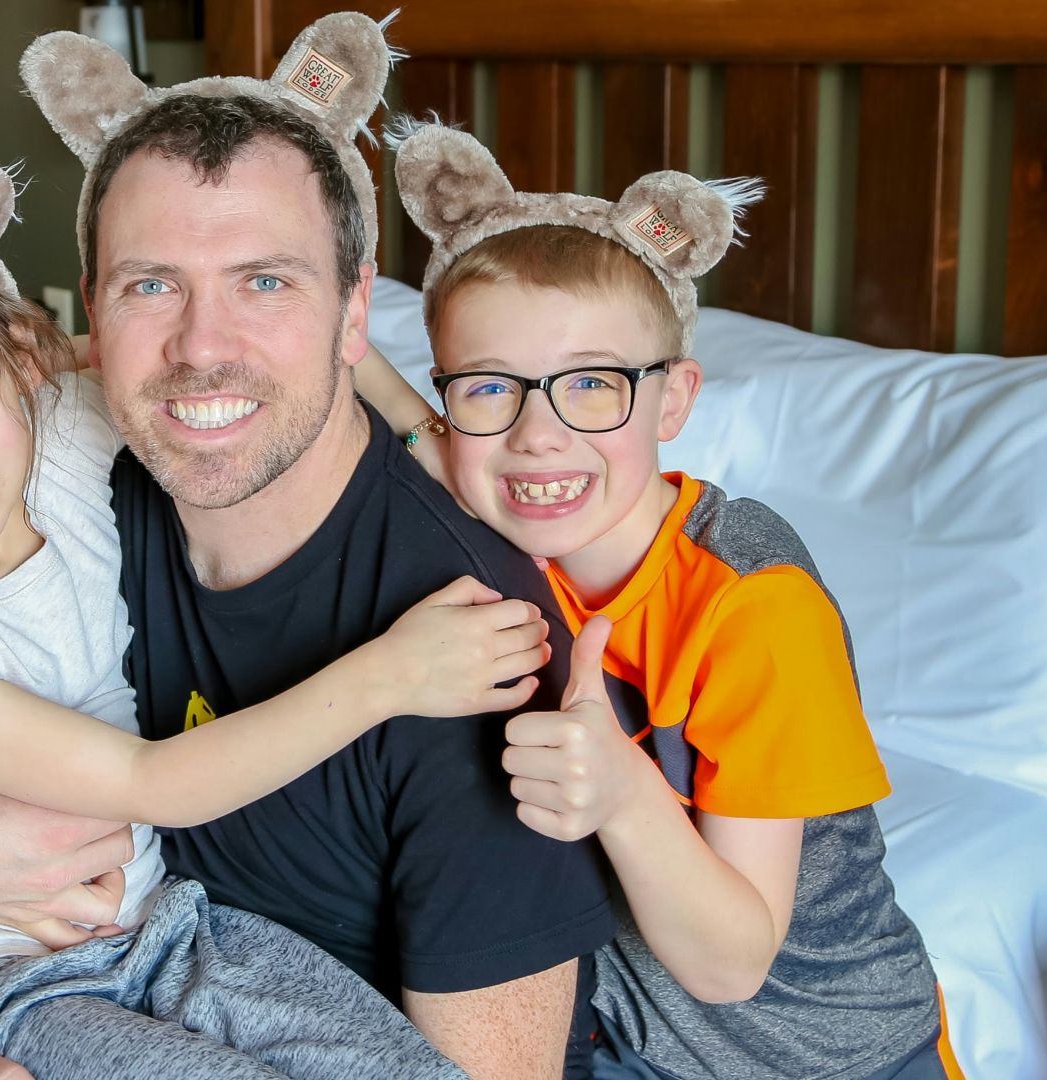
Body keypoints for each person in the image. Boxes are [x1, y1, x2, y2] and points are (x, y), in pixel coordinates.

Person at [0, 14, 616, 1078]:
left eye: (265, 280)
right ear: (89, 312)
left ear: (352, 309)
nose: (201, 350)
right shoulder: (88, 458)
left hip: (182, 947)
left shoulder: (467, 644)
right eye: (153, 285)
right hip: (28, 976)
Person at [360, 121, 959, 1080]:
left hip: (833, 1056)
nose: (538, 437)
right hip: (623, 1042)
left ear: (674, 402)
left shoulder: (756, 605)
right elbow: (395, 415)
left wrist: (624, 790)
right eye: (490, 389)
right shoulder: (498, 506)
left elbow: (734, 963)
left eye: (592, 385)